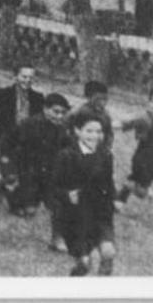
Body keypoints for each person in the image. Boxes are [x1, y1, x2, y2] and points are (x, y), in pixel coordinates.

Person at [3, 92, 71, 251]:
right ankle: (7, 189)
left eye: (63, 113)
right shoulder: (29, 124)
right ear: (45, 109)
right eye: (56, 111)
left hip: (51, 174)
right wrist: (8, 171)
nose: (59, 116)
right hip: (28, 172)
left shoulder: (63, 129)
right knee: (29, 210)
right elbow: (7, 144)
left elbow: (69, 149)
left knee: (58, 204)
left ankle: (57, 239)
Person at [54, 113, 117, 275]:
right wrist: (67, 195)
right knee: (87, 261)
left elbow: (108, 185)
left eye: (98, 132)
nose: (94, 136)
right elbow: (53, 187)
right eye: (89, 131)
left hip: (99, 214)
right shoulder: (66, 155)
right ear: (77, 131)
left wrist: (113, 200)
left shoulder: (106, 156)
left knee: (108, 251)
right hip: (75, 216)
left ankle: (103, 274)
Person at [0, 63, 45, 206]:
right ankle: (6, 186)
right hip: (6, 138)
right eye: (24, 76)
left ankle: (7, 190)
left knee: (23, 171)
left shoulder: (38, 98)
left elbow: (42, 118)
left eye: (30, 77)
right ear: (15, 77)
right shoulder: (3, 94)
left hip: (26, 140)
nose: (27, 80)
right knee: (9, 171)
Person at [68, 80, 116, 152]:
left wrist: (107, 148)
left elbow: (109, 133)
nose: (102, 103)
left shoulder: (105, 115)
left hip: (97, 150)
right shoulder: (80, 111)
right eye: (98, 99)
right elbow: (68, 127)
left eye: (105, 99)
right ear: (89, 97)